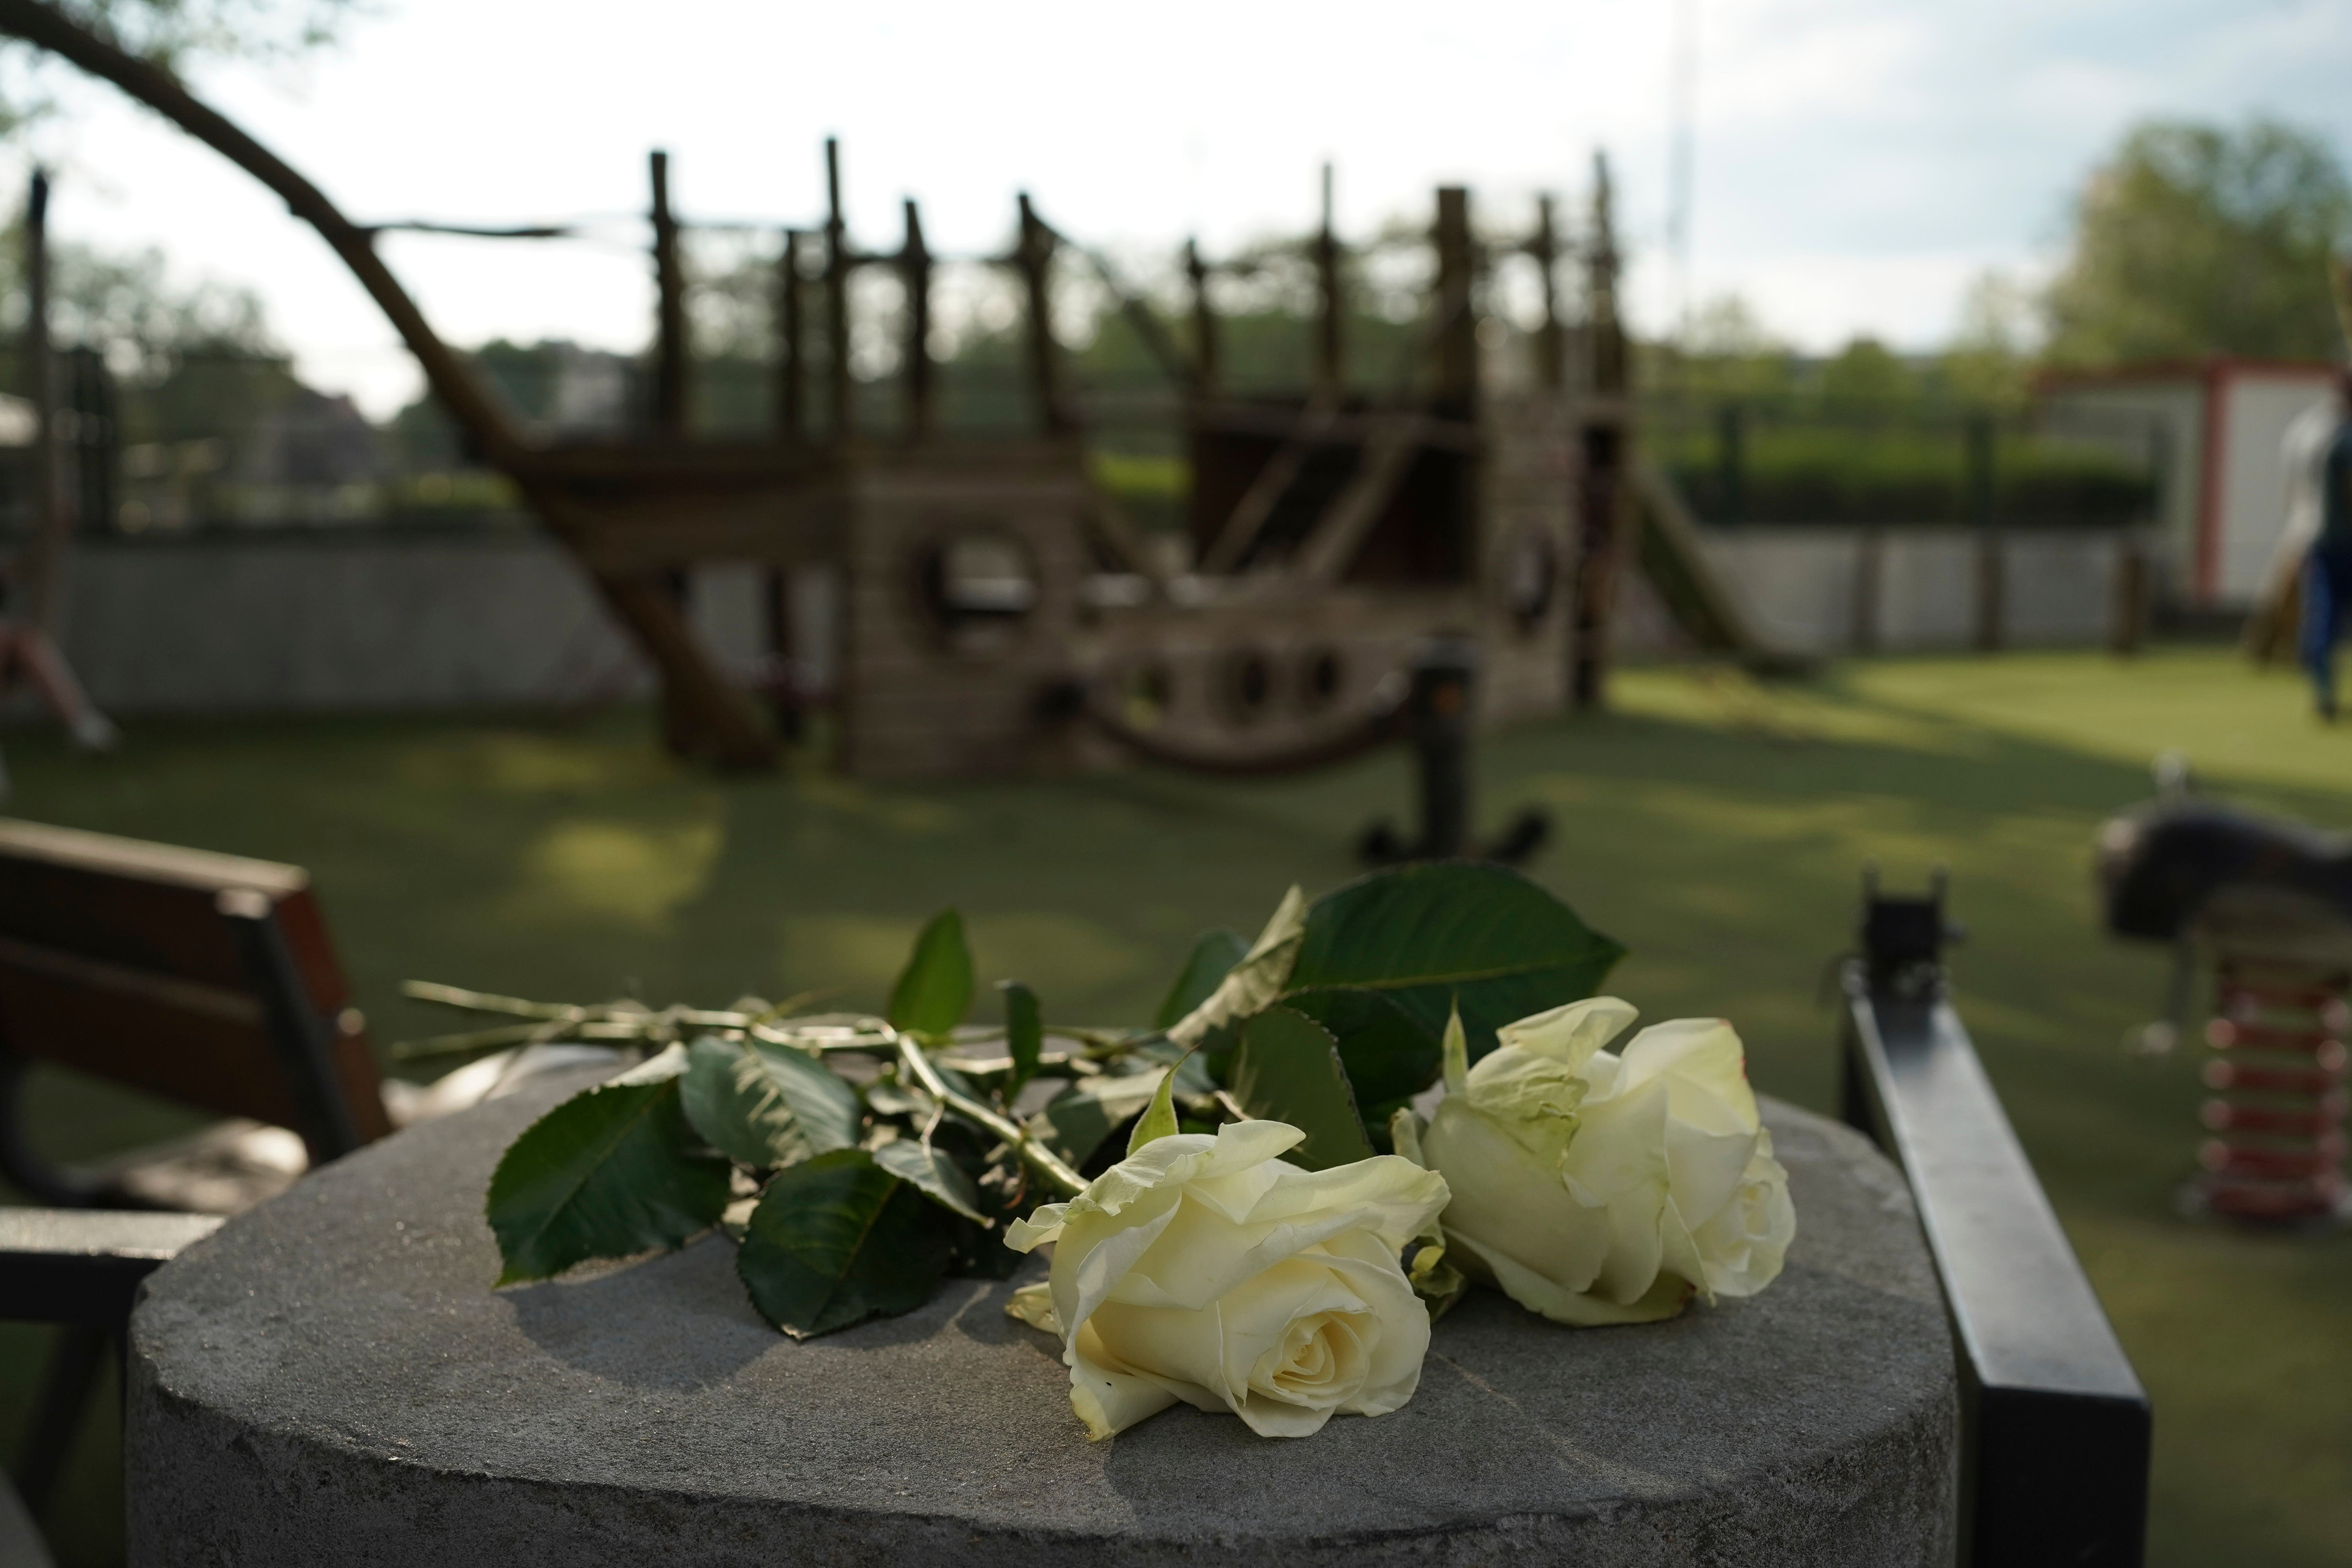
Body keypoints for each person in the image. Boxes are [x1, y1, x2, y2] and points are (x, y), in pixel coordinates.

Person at [2296, 367, 2352, 719]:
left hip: (2319, 537)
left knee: (2323, 618)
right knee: (2327, 620)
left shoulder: (2316, 432)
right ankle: (2324, 692)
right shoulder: (2345, 437)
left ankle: (2323, 694)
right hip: (2344, 542)